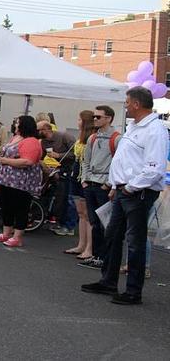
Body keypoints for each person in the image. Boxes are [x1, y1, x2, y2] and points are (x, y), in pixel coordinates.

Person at [82, 87, 167, 305]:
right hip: (122, 190)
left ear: (137, 104)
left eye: (128, 102)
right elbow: (123, 160)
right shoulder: (133, 127)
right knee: (112, 236)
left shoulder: (154, 130)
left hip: (137, 192)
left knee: (135, 242)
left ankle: (133, 290)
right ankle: (108, 281)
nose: (126, 105)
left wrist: (131, 186)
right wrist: (114, 184)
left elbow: (154, 168)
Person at [0, 115, 43, 248]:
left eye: (17, 123)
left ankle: (17, 237)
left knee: (20, 208)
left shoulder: (31, 141)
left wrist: (6, 161)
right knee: (6, 205)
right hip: (7, 179)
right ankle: (6, 233)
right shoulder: (15, 137)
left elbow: (27, 161)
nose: (15, 125)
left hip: (22, 182)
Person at [77, 105, 120, 269]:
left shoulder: (116, 138)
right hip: (91, 184)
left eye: (98, 117)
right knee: (94, 222)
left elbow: (119, 163)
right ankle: (96, 255)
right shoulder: (93, 138)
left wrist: (109, 184)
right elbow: (86, 160)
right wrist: (85, 181)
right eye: (94, 117)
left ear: (108, 118)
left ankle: (104, 257)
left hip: (103, 185)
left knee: (105, 223)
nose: (95, 119)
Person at [65, 110, 96, 259]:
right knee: (81, 213)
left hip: (85, 177)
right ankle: (81, 244)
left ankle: (89, 248)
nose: (77, 122)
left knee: (88, 215)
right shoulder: (80, 138)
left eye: (79, 119)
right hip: (76, 175)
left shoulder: (92, 138)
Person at [38, 120, 77, 236]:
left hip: (71, 170)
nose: (37, 132)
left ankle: (69, 226)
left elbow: (76, 154)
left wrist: (58, 155)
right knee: (59, 197)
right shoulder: (43, 142)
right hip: (60, 170)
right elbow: (41, 157)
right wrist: (47, 168)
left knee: (68, 199)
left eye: (38, 130)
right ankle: (60, 222)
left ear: (46, 129)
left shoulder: (65, 137)